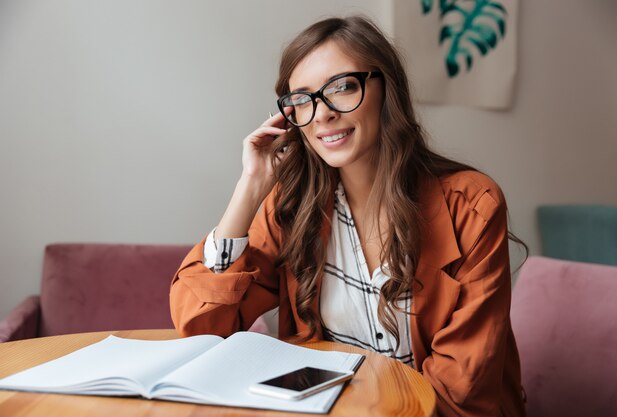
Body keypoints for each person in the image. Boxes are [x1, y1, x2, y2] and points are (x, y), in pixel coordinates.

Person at [170, 15, 526, 417]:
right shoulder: (292, 206)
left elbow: (461, 391)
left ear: (385, 88)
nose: (321, 114)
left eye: (341, 87)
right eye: (302, 99)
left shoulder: (472, 206)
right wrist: (250, 187)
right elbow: (201, 328)